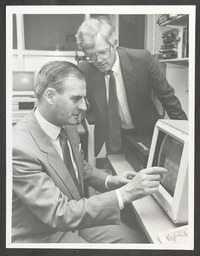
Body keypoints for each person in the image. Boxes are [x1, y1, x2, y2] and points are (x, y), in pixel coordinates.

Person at [12, 61, 167, 244]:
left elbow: (80, 167)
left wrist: (112, 181)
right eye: (76, 98)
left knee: (136, 241)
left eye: (84, 98)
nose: (84, 106)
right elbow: (59, 213)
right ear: (50, 96)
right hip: (44, 233)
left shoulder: (67, 126)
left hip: (74, 219)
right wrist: (126, 193)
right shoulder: (19, 148)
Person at [76, 16, 187, 156]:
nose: (99, 61)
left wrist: (188, 137)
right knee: (118, 171)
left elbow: (168, 98)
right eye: (91, 56)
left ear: (114, 43)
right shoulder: (84, 70)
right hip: (114, 138)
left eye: (103, 52)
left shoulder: (142, 60)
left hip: (146, 132)